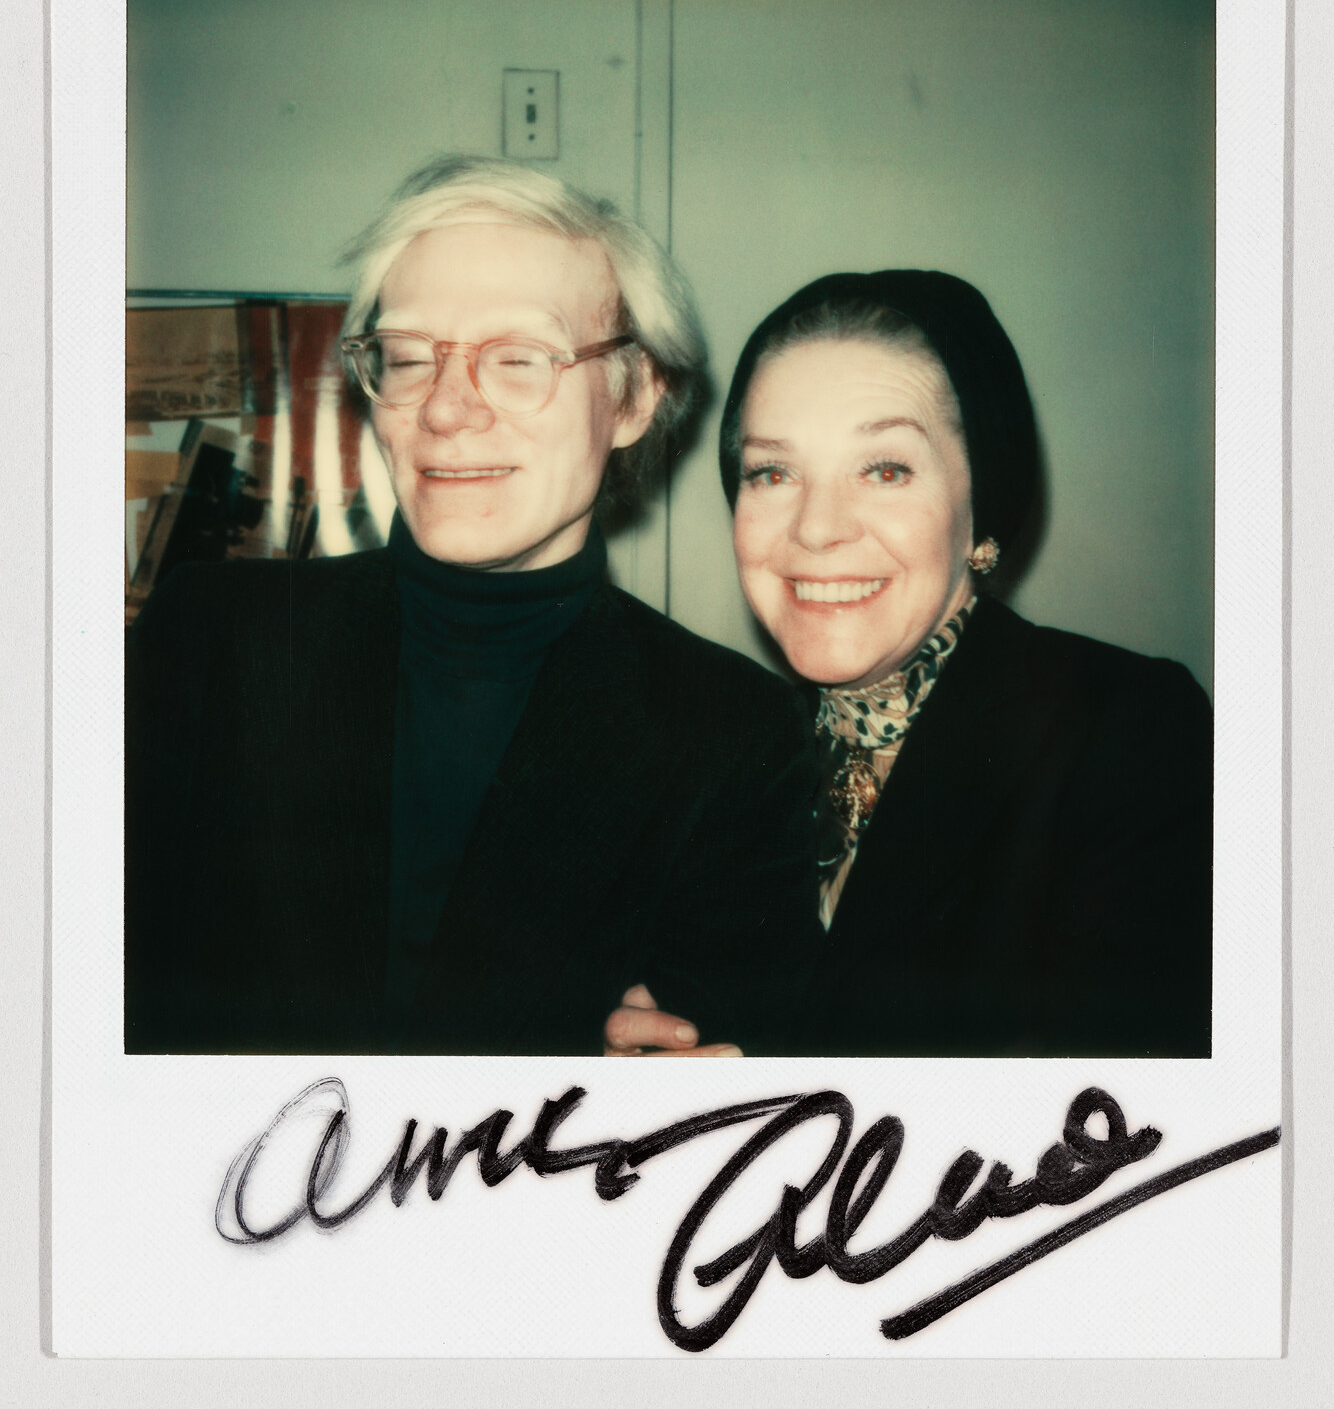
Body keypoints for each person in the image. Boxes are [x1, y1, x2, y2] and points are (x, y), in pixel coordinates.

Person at [125, 156, 821, 1057]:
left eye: (518, 360)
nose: (446, 411)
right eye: (409, 359)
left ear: (635, 396)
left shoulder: (734, 734)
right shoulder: (211, 637)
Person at [610, 270, 1212, 1058]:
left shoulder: (1127, 732)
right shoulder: (719, 752)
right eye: (772, 472)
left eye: (885, 469)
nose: (817, 528)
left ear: (980, 506)